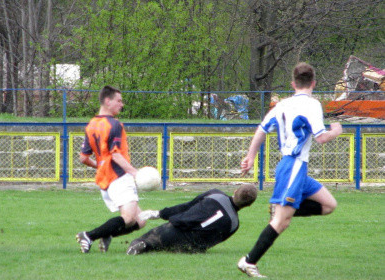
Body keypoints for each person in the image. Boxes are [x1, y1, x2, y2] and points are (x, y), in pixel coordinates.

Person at [237, 62, 342, 278]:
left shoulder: (281, 105)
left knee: (329, 204)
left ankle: (281, 209)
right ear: (314, 83)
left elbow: (261, 130)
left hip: (294, 167)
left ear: (293, 84)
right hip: (293, 165)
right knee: (282, 222)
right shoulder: (312, 105)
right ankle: (249, 261)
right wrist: (336, 131)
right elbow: (321, 137)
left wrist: (250, 156)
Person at [76, 85, 146, 253]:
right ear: (108, 101)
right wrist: (135, 173)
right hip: (119, 177)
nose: (122, 105)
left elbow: (83, 158)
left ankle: (106, 234)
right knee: (129, 218)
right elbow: (115, 155)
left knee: (140, 220)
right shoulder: (114, 124)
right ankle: (89, 236)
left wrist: (100, 165)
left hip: (105, 181)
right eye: (119, 101)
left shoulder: (91, 125)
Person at [126, 185, 258, 255]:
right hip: (193, 247)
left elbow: (186, 206)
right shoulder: (234, 225)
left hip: (176, 229)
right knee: (167, 247)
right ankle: (172, 248)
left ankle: (143, 244)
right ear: (249, 205)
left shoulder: (215, 194)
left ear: (235, 191)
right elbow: (214, 241)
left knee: (147, 241)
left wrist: (160, 213)